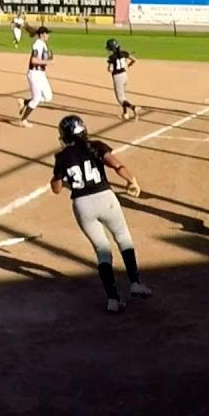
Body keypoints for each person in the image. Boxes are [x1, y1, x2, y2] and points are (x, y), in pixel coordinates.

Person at [49, 114, 151, 314]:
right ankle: (135, 283)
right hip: (105, 198)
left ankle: (112, 298)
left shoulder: (61, 157)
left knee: (102, 250)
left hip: (81, 204)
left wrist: (59, 173)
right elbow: (116, 165)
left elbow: (56, 188)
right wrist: (132, 180)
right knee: (123, 238)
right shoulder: (95, 146)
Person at [16, 26, 53, 128]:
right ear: (42, 35)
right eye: (47, 33)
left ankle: (24, 102)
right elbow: (33, 60)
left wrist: (48, 57)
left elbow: (41, 58)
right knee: (36, 99)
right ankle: (23, 120)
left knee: (48, 97)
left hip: (41, 74)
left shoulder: (43, 44)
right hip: (35, 74)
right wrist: (48, 61)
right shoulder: (37, 44)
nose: (48, 35)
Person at [105, 38, 139, 120]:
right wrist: (129, 65)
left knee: (120, 99)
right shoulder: (124, 53)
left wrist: (109, 64)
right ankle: (125, 113)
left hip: (118, 77)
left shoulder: (112, 57)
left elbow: (110, 70)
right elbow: (134, 60)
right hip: (125, 75)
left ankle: (133, 108)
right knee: (123, 96)